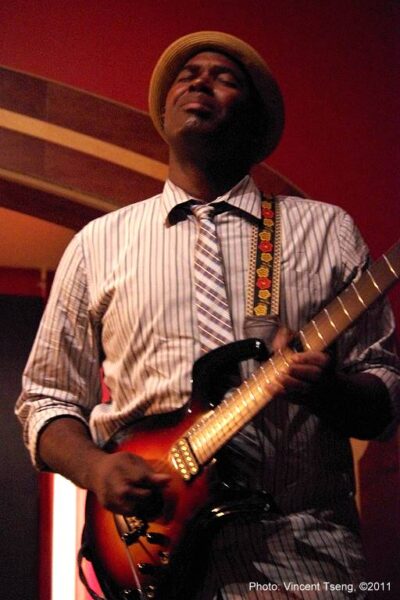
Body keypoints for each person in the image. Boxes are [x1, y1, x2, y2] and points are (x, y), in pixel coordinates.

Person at [16, 31, 399, 600]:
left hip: (305, 556)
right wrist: (96, 470)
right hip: (153, 561)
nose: (199, 82)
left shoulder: (326, 230)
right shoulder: (96, 244)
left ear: (255, 118)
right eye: (186, 76)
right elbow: (45, 400)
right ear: (165, 112)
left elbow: (384, 391)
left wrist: (330, 389)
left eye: (224, 78)